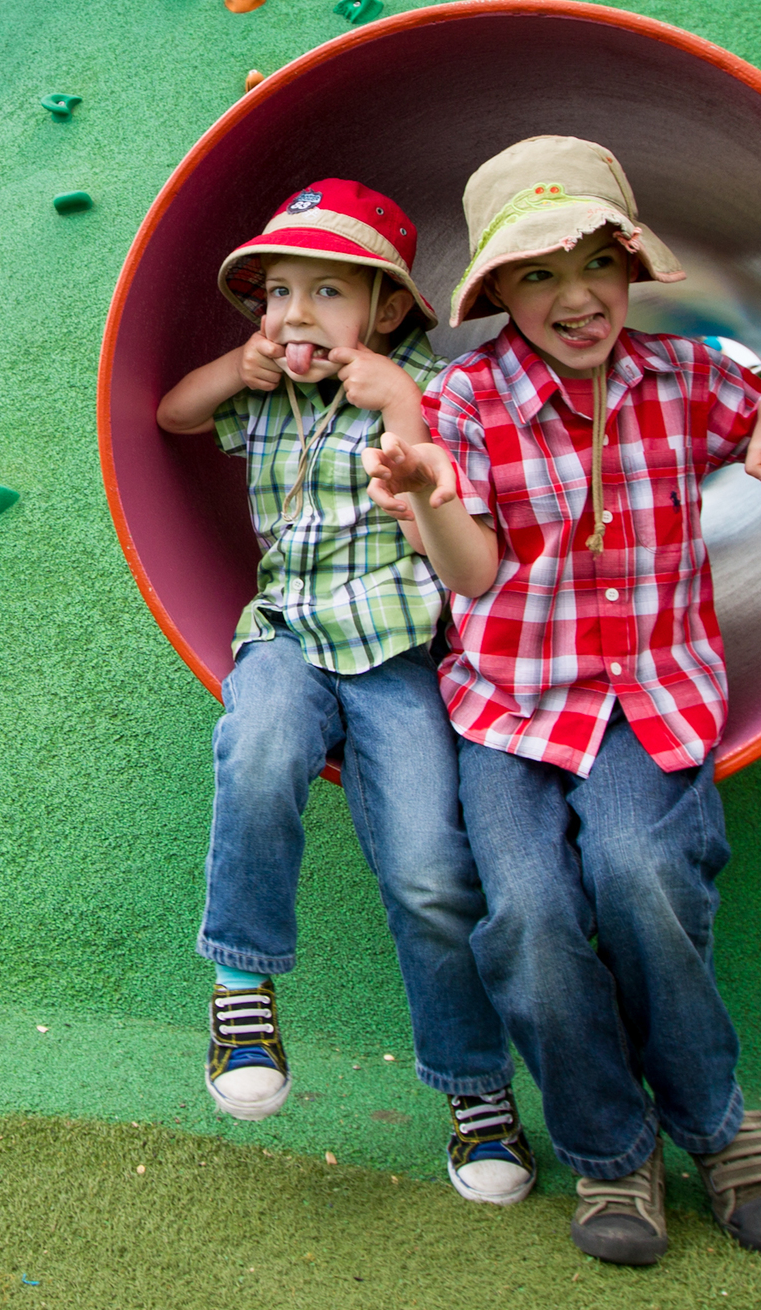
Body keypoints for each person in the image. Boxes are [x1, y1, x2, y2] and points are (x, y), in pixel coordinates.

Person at [366, 137, 761, 1267]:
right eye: (537, 274)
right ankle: (609, 1144)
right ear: (494, 292)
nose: (573, 295)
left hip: (650, 697)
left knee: (640, 875)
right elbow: (475, 575)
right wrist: (428, 498)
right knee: (533, 912)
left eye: (595, 262)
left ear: (632, 269)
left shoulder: (684, 378)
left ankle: (720, 1125)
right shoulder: (467, 398)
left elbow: (758, 403)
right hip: (512, 708)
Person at [153, 180, 538, 1208]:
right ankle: (241, 989)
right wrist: (233, 366)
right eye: (278, 291)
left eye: (328, 290)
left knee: (429, 869)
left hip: (399, 656)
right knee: (263, 741)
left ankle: (476, 1090)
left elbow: (455, 532)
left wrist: (399, 406)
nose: (293, 315)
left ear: (392, 309)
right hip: (286, 635)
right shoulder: (265, 385)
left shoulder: (435, 383)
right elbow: (169, 413)